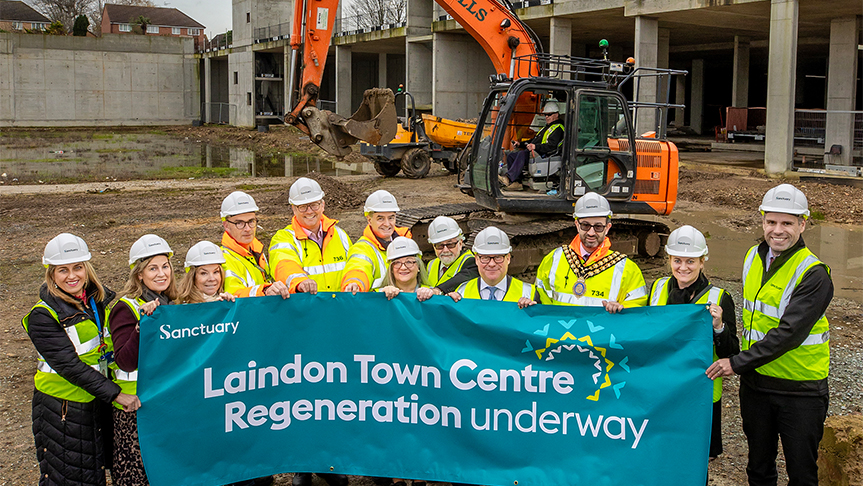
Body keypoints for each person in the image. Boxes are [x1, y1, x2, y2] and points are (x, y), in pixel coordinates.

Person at [706, 184, 833, 486]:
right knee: (758, 469)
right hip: (757, 387)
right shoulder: (753, 257)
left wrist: (735, 363)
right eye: (771, 221)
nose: (778, 230)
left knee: (801, 473)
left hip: (799, 391)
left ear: (803, 224)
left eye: (787, 223)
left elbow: (788, 333)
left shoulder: (814, 274)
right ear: (762, 221)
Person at [23, 233, 141, 486]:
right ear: (51, 274)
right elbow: (69, 366)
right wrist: (116, 394)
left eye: (78, 267)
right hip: (63, 408)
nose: (72, 276)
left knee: (93, 472)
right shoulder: (43, 315)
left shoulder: (98, 302)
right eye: (62, 270)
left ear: (87, 269)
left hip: (96, 401)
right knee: (68, 478)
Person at [648, 225, 738, 460]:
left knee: (696, 459)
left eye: (690, 261)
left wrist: (719, 326)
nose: (683, 267)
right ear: (669, 260)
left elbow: (731, 352)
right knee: (662, 451)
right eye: (677, 260)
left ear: (702, 261)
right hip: (663, 389)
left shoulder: (719, 298)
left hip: (701, 394)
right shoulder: (657, 289)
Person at [107, 234, 178, 486]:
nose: (162, 273)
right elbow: (125, 361)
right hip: (135, 408)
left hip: (165, 401)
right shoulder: (126, 308)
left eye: (165, 266)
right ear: (139, 274)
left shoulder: (173, 303)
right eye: (153, 268)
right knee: (137, 474)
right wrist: (142, 327)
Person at [536, 192, 647, 311]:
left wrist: (623, 308)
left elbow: (638, 310)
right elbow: (539, 301)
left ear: (608, 228)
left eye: (598, 227)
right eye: (585, 225)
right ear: (577, 225)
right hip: (561, 330)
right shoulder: (553, 259)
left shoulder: (627, 269)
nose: (591, 233)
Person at [269, 177, 352, 295]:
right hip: (306, 310)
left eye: (314, 205)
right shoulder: (284, 238)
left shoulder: (340, 235)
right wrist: (300, 282)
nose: (309, 211)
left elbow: (354, 266)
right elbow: (284, 265)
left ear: (322, 205)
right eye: (302, 206)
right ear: (293, 209)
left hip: (339, 308)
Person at [219, 191, 289, 299]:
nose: (247, 229)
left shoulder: (256, 250)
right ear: (226, 225)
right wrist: (265, 291)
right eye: (239, 223)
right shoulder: (223, 259)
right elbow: (234, 295)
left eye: (251, 221)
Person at [448, 226, 539, 309]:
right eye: (485, 258)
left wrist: (533, 311)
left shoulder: (529, 293)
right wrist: (447, 305)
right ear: (476, 259)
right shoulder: (462, 292)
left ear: (508, 258)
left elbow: (540, 325)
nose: (492, 264)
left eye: (498, 257)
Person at [341, 190, 412, 293]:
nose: (387, 224)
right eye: (380, 219)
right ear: (369, 220)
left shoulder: (407, 242)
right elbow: (358, 267)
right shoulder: (362, 248)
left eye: (391, 218)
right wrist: (354, 283)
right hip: (380, 306)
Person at [499, 101, 564, 191]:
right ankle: (516, 182)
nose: (546, 117)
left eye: (549, 115)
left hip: (545, 154)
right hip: (538, 151)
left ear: (556, 114)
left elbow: (552, 146)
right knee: (511, 156)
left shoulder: (558, 128)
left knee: (522, 154)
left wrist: (535, 147)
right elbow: (534, 141)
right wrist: (520, 144)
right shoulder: (547, 127)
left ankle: (509, 178)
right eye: (545, 115)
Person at [425, 216, 478, 294]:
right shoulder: (431, 264)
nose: (445, 250)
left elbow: (463, 277)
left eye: (450, 244)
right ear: (433, 247)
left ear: (460, 243)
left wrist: (438, 290)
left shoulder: (471, 262)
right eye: (439, 246)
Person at [378, 236, 435, 302]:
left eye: (409, 262)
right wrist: (381, 296)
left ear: (418, 266)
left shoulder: (432, 293)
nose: (403, 268)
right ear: (391, 269)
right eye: (397, 263)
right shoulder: (378, 294)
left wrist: (431, 295)